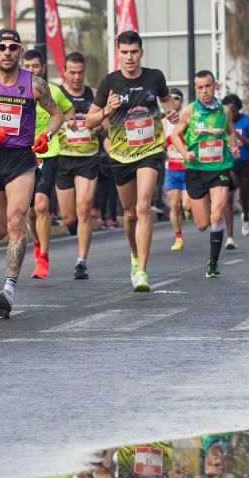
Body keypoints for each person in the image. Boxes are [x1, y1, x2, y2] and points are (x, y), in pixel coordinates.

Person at [0, 28, 62, 317]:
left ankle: (8, 289)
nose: (7, 52)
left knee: (16, 220)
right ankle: (19, 237)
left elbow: (57, 114)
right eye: (2, 47)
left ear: (20, 52)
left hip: (21, 159)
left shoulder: (35, 85)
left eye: (13, 47)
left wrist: (46, 134)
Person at [84, 31, 178, 292]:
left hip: (150, 149)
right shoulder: (109, 82)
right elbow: (90, 121)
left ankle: (142, 271)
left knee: (144, 206)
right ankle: (134, 256)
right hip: (121, 154)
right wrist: (106, 110)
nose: (129, 57)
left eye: (134, 52)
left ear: (141, 53)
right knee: (129, 214)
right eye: (124, 52)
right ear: (119, 53)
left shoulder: (154, 77)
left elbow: (168, 102)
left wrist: (172, 113)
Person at [169, 70, 239, 279]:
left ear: (215, 86)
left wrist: (234, 148)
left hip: (219, 168)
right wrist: (185, 153)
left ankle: (213, 263)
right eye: (199, 87)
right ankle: (205, 208)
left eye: (207, 86)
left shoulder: (224, 111)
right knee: (202, 224)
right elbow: (174, 135)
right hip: (196, 170)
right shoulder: (189, 111)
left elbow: (230, 131)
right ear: (195, 89)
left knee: (217, 213)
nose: (204, 91)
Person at [20, 49, 73, 280]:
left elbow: (67, 111)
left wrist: (65, 127)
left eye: (36, 66)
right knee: (30, 211)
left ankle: (43, 258)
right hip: (22, 153)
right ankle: (37, 245)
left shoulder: (52, 91)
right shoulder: (17, 90)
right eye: (28, 66)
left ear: (44, 68)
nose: (32, 70)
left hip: (48, 152)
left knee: (42, 206)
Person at [55, 51, 101, 278]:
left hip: (88, 157)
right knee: (69, 217)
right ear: (65, 72)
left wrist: (98, 126)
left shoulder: (93, 94)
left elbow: (106, 124)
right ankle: (74, 227)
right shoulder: (57, 95)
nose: (76, 77)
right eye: (72, 72)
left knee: (85, 207)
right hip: (63, 158)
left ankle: (81, 261)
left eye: (80, 72)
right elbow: (48, 120)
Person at [223, 94, 249, 240]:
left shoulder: (247, 121)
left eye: (235, 111)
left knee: (244, 198)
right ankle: (230, 236)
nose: (232, 114)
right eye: (229, 111)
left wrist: (238, 136)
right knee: (228, 197)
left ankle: (246, 215)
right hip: (229, 163)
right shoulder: (221, 122)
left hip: (245, 163)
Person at [162, 89, 188, 251]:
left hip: (187, 168)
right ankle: (178, 237)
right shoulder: (164, 123)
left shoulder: (187, 119)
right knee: (174, 205)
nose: (174, 101)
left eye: (177, 98)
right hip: (171, 168)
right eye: (171, 98)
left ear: (181, 101)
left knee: (186, 205)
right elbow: (161, 145)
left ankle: (191, 210)